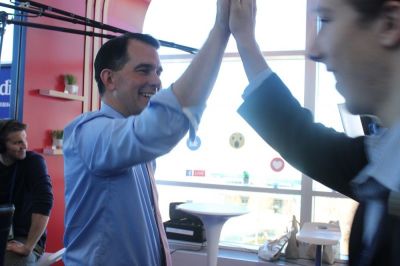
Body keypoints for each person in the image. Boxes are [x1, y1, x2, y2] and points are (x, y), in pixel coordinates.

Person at [229, 0, 400, 265]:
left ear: (390, 24)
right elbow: (305, 141)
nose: (314, 50)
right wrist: (245, 40)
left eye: (327, 19)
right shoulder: (385, 160)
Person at [62, 0, 231, 265]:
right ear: (109, 79)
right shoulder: (88, 132)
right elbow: (157, 130)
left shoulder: (132, 140)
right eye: (143, 70)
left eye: (158, 71)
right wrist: (220, 31)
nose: (156, 81)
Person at [0, 119, 54, 266]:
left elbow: (44, 202)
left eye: (25, 140)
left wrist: (28, 247)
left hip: (25, 238)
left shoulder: (34, 162)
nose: (25, 146)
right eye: (17, 142)